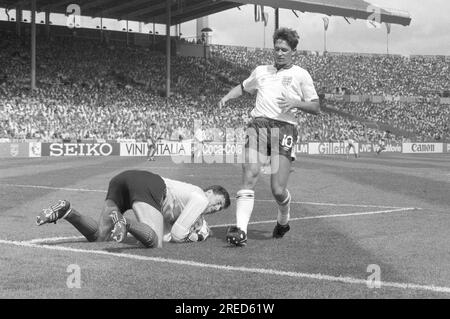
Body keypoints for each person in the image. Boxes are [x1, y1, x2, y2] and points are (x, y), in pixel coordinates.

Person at [218, 28, 320, 247]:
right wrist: (227, 97)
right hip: (258, 125)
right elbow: (244, 88)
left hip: (285, 130)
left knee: (278, 190)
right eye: (277, 49)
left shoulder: (301, 74)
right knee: (250, 174)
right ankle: (241, 231)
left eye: (284, 49)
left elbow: (316, 106)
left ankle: (283, 219)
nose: (280, 53)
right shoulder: (261, 71)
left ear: (293, 51)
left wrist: (296, 103)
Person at [36, 170, 231, 248]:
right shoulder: (200, 198)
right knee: (153, 243)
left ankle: (67, 211)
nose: (216, 207)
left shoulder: (188, 198)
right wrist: (195, 237)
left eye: (220, 208)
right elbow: (178, 236)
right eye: (218, 201)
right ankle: (124, 221)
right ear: (210, 191)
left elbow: (167, 231)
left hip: (124, 179)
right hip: (150, 185)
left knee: (99, 236)